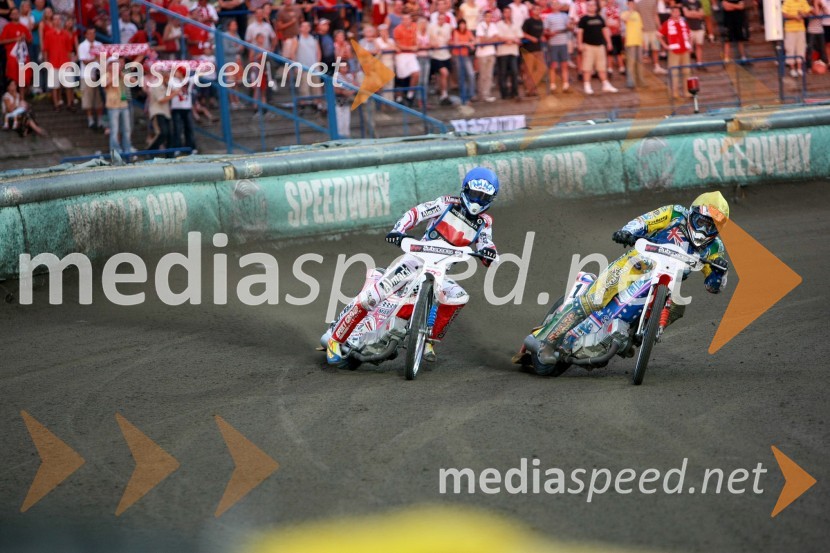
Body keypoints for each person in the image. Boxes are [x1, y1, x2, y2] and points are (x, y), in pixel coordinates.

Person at [326, 167, 501, 366]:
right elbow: (416, 213)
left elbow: (486, 243)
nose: (477, 201)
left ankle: (429, 342)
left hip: (440, 271)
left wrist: (489, 253)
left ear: (490, 199)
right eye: (475, 194)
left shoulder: (484, 222)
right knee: (371, 297)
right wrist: (398, 230)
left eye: (483, 197)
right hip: (415, 262)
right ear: (465, 190)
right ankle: (335, 339)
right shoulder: (445, 204)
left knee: (457, 297)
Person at [532, 191, 731, 353]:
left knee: (679, 306)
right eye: (702, 221)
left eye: (711, 225)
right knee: (596, 298)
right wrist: (628, 232)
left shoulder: (715, 248)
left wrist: (719, 273)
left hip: (667, 283)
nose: (705, 229)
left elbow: (713, 287)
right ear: (692, 214)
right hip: (635, 265)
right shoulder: (675, 213)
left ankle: (644, 333)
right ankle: (546, 341)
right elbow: (644, 221)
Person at [577, 0, 617, 94]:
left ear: (596, 7)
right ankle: (587, 85)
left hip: (600, 46)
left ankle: (605, 84)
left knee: (602, 67)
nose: (591, 6)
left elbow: (605, 30)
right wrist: (579, 44)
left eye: (593, 5)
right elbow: (580, 33)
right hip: (588, 46)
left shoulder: (600, 17)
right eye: (589, 5)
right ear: (587, 7)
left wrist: (609, 42)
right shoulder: (583, 19)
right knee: (587, 68)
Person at [659, 4, 692, 98]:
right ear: (671, 13)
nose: (677, 13)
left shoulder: (683, 22)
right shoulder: (667, 23)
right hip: (674, 51)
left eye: (678, 11)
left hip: (684, 50)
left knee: (687, 72)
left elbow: (689, 34)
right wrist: (665, 46)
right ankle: (675, 93)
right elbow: (659, 35)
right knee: (674, 73)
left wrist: (690, 45)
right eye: (675, 11)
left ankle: (687, 92)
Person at [102, 56, 132, 155]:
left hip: (123, 104)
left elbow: (132, 81)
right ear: (109, 65)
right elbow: (105, 84)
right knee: (114, 131)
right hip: (112, 106)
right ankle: (115, 153)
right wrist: (115, 75)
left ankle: (127, 151)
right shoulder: (105, 75)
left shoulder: (121, 74)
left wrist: (121, 74)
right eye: (113, 64)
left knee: (127, 130)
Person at [77, 26, 102, 128]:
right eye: (90, 33)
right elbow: (84, 61)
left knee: (98, 99)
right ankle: (90, 119)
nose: (92, 35)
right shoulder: (82, 46)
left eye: (93, 33)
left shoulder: (99, 45)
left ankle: (99, 120)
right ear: (86, 35)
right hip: (87, 75)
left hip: (98, 74)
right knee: (88, 99)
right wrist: (95, 58)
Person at [544, 0, 572, 93]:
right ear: (551, 5)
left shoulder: (564, 16)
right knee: (554, 65)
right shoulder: (548, 17)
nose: (555, 5)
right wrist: (550, 33)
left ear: (560, 6)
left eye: (557, 4)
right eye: (554, 4)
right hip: (553, 44)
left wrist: (570, 25)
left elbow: (570, 27)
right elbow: (545, 31)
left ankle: (566, 85)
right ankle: (553, 85)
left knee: (564, 64)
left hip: (563, 42)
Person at [393, 13, 420, 104]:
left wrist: (417, 45)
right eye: (404, 19)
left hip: (412, 55)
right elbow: (398, 44)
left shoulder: (415, 27)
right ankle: (399, 97)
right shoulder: (397, 29)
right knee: (401, 77)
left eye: (408, 19)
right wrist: (411, 48)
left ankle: (410, 94)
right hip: (401, 54)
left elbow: (418, 38)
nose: (406, 21)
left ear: (411, 19)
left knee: (416, 73)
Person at [496, 6, 522, 100]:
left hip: (513, 51)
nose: (507, 14)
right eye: (506, 12)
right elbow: (498, 36)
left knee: (514, 72)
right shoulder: (499, 24)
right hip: (502, 51)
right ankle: (504, 94)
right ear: (503, 13)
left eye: (509, 12)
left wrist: (513, 40)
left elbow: (519, 36)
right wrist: (511, 39)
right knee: (503, 73)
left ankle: (514, 92)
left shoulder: (515, 24)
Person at [428, 11, 453, 104]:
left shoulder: (448, 27)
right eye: (440, 18)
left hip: (446, 54)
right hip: (435, 55)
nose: (442, 20)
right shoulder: (431, 27)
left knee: (444, 75)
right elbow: (427, 39)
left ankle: (442, 94)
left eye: (443, 19)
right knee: (444, 72)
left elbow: (449, 39)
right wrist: (432, 44)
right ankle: (444, 94)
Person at [782, 0, 813, 77]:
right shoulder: (787, 1)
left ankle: (799, 68)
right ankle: (792, 69)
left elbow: (809, 12)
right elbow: (784, 14)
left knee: (801, 48)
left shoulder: (803, 1)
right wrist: (794, 17)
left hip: (801, 29)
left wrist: (803, 14)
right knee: (790, 49)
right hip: (790, 29)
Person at [622, 0, 646, 89]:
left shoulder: (637, 14)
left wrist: (643, 41)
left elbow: (641, 28)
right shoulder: (624, 13)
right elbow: (625, 19)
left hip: (638, 41)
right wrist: (630, 11)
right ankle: (630, 82)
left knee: (639, 62)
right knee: (630, 63)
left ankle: (640, 80)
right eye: (630, 4)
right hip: (630, 42)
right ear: (627, 4)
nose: (632, 5)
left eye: (633, 4)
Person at [476, 9, 499, 102]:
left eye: (490, 16)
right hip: (482, 54)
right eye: (487, 16)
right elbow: (481, 40)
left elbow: (496, 38)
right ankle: (481, 94)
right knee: (483, 75)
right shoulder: (480, 26)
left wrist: (487, 40)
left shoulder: (493, 25)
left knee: (489, 75)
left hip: (491, 52)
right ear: (484, 17)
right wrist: (490, 39)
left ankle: (487, 94)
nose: (489, 18)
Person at [521, 5, 545, 96]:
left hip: (538, 48)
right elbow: (522, 33)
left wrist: (542, 36)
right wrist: (531, 38)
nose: (538, 11)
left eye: (539, 9)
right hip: (529, 48)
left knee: (541, 69)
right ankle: (530, 89)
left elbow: (541, 33)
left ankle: (531, 87)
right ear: (532, 11)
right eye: (536, 9)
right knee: (529, 70)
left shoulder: (540, 22)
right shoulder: (528, 21)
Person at [637, 0, 665, 73]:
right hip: (644, 30)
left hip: (652, 30)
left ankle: (656, 66)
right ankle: (644, 68)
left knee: (655, 48)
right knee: (645, 50)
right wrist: (659, 26)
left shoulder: (651, 2)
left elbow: (655, 14)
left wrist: (659, 26)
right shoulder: (638, 4)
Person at [451, 18, 476, 102]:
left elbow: (474, 40)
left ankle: (471, 94)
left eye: (463, 24)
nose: (462, 26)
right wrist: (466, 43)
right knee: (461, 75)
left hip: (465, 55)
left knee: (471, 74)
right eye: (461, 24)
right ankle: (464, 94)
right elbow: (456, 42)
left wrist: (471, 43)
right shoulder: (456, 31)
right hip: (458, 55)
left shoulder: (468, 32)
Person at [682, 0, 707, 68]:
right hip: (689, 27)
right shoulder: (685, 2)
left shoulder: (698, 2)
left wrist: (692, 13)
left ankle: (699, 63)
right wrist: (697, 13)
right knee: (689, 47)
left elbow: (702, 13)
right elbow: (686, 14)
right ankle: (687, 64)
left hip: (699, 27)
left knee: (699, 45)